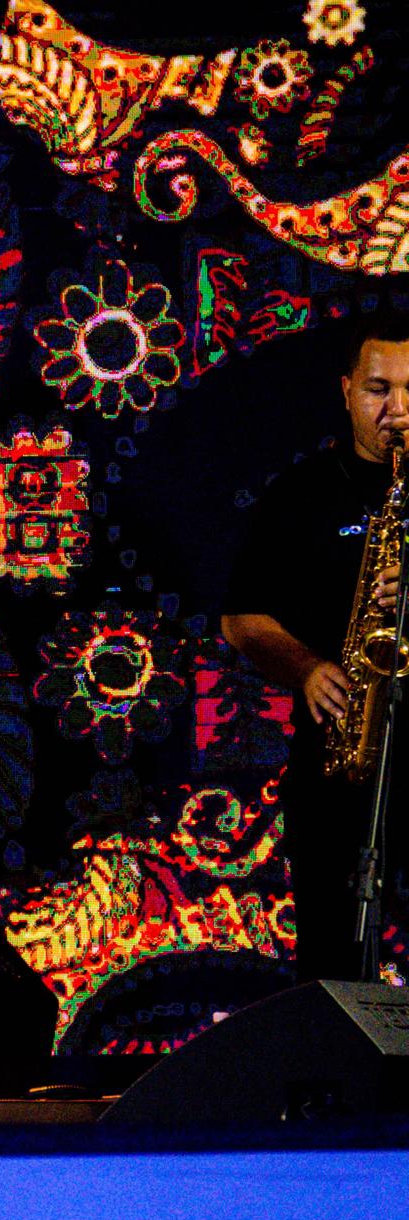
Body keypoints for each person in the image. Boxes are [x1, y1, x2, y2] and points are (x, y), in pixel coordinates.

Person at [221, 312, 409, 982]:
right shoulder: (300, 494)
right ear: (346, 390)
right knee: (332, 961)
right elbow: (241, 620)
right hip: (341, 760)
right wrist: (306, 668)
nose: (397, 410)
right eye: (379, 389)